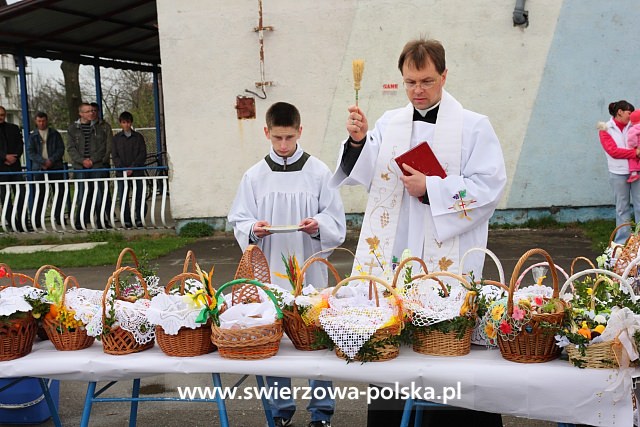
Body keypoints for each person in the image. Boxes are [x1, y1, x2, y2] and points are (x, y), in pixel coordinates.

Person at [330, 38, 506, 426]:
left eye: (426, 81)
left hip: (449, 249)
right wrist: (358, 141)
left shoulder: (474, 126)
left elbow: (490, 187)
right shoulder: (389, 123)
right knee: (396, 343)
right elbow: (366, 172)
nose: (418, 91)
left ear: (444, 75)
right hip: (398, 250)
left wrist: (432, 189)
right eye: (410, 82)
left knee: (447, 344)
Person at [228, 101, 346, 427]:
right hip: (269, 271)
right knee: (271, 342)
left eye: (289, 137)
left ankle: (321, 414)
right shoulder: (254, 177)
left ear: (300, 132)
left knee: (315, 340)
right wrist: (253, 229)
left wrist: (319, 224)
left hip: (310, 269)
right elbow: (239, 219)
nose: (283, 145)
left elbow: (337, 220)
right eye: (277, 137)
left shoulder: (320, 172)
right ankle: (279, 412)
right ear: (266, 132)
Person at [598, 100, 639, 244]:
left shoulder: (634, 125)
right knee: (622, 208)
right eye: (629, 113)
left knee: (639, 206)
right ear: (620, 112)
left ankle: (638, 242)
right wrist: (635, 153)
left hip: (637, 172)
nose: (631, 115)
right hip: (617, 173)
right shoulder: (605, 129)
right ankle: (622, 243)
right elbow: (613, 151)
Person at [66, 102, 113, 228]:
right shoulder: (72, 129)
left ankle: (101, 221)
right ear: (81, 113)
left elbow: (104, 147)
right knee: (82, 195)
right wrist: (82, 161)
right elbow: (71, 148)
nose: (91, 113)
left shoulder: (101, 127)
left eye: (92, 110)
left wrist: (93, 160)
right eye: (88, 111)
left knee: (100, 195)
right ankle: (80, 221)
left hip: (97, 166)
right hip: (80, 167)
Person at [26, 111, 65, 226]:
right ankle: (37, 219)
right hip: (39, 168)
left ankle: (59, 217)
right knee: (40, 193)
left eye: (43, 121)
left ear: (47, 121)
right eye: (39, 121)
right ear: (36, 121)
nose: (41, 123)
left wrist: (51, 160)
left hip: (55, 167)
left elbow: (60, 149)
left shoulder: (55, 134)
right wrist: (43, 161)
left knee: (59, 192)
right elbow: (30, 152)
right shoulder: (32, 136)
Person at [112, 111, 147, 228]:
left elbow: (142, 154)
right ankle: (126, 219)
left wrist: (133, 167)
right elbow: (115, 155)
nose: (126, 125)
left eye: (128, 122)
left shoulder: (138, 137)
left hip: (137, 172)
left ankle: (139, 218)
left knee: (139, 196)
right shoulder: (116, 138)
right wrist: (123, 168)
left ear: (131, 123)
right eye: (123, 122)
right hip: (121, 173)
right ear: (120, 123)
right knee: (123, 197)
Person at [0, 105, 27, 231]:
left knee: (20, 195)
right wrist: (4, 157)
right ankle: (11, 223)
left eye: (2, 115)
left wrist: (14, 157)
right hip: (1, 168)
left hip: (15, 167)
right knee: (5, 197)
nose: (1, 117)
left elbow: (20, 145)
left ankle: (23, 222)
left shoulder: (13, 128)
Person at [625, 110, 640, 183]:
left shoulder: (633, 129)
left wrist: (632, 146)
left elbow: (632, 139)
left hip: (637, 147)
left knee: (632, 158)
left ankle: (634, 173)